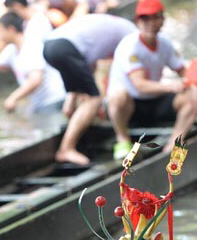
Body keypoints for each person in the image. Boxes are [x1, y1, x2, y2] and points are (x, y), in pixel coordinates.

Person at [107, 0, 197, 158]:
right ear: (138, 21)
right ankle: (122, 139)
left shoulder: (165, 43)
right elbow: (140, 85)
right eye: (145, 18)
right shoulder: (129, 46)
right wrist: (172, 86)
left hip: (154, 102)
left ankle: (174, 145)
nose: (150, 23)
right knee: (119, 96)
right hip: (130, 105)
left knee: (190, 99)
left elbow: (184, 71)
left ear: (162, 20)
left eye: (155, 18)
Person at [43, 13, 136, 164]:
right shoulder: (131, 35)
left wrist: (75, 95)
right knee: (94, 99)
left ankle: (71, 111)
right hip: (66, 47)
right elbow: (129, 70)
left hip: (50, 46)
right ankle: (66, 148)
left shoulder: (113, 26)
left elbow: (89, 67)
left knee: (84, 92)